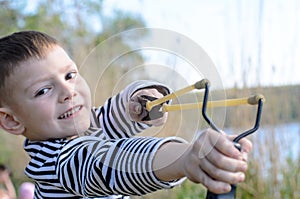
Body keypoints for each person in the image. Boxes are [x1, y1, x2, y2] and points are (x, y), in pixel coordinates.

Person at [0, 31, 252, 198]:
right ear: (11, 120)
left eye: (70, 75)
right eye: (43, 90)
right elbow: (108, 162)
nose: (68, 91)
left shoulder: (84, 126)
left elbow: (112, 115)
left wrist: (140, 101)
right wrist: (185, 158)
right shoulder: (53, 161)